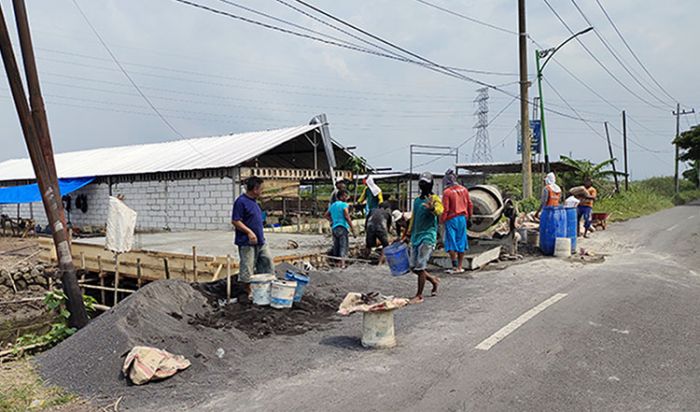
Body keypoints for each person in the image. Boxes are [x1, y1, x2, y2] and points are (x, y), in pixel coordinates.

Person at [402, 172, 444, 304]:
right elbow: (414, 218)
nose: (423, 185)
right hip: (416, 236)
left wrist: (432, 209)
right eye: (422, 183)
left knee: (420, 267)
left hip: (428, 236)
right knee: (414, 267)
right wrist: (407, 234)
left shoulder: (435, 199)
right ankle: (433, 280)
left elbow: (439, 211)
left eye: (425, 183)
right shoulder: (417, 201)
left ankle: (419, 295)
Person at [232, 176, 273, 297]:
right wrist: (249, 232)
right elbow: (235, 221)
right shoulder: (241, 202)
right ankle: (248, 294)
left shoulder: (254, 202)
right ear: (255, 189)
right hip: (246, 242)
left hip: (260, 241)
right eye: (261, 189)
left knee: (267, 261)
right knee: (247, 267)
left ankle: (266, 289)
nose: (262, 191)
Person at [440, 170, 473, 274]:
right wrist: (469, 217)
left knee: (451, 242)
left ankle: (454, 267)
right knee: (461, 241)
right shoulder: (464, 190)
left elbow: (445, 209)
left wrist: (442, 220)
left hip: (451, 219)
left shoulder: (447, 192)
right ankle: (460, 266)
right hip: (462, 218)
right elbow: (470, 204)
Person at [325, 190, 355, 268]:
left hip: (334, 228)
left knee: (336, 246)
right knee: (343, 246)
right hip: (342, 227)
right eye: (345, 196)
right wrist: (353, 228)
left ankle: (337, 263)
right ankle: (342, 264)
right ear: (341, 197)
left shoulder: (333, 205)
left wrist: (332, 221)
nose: (346, 197)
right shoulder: (344, 205)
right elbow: (347, 217)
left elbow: (326, 215)